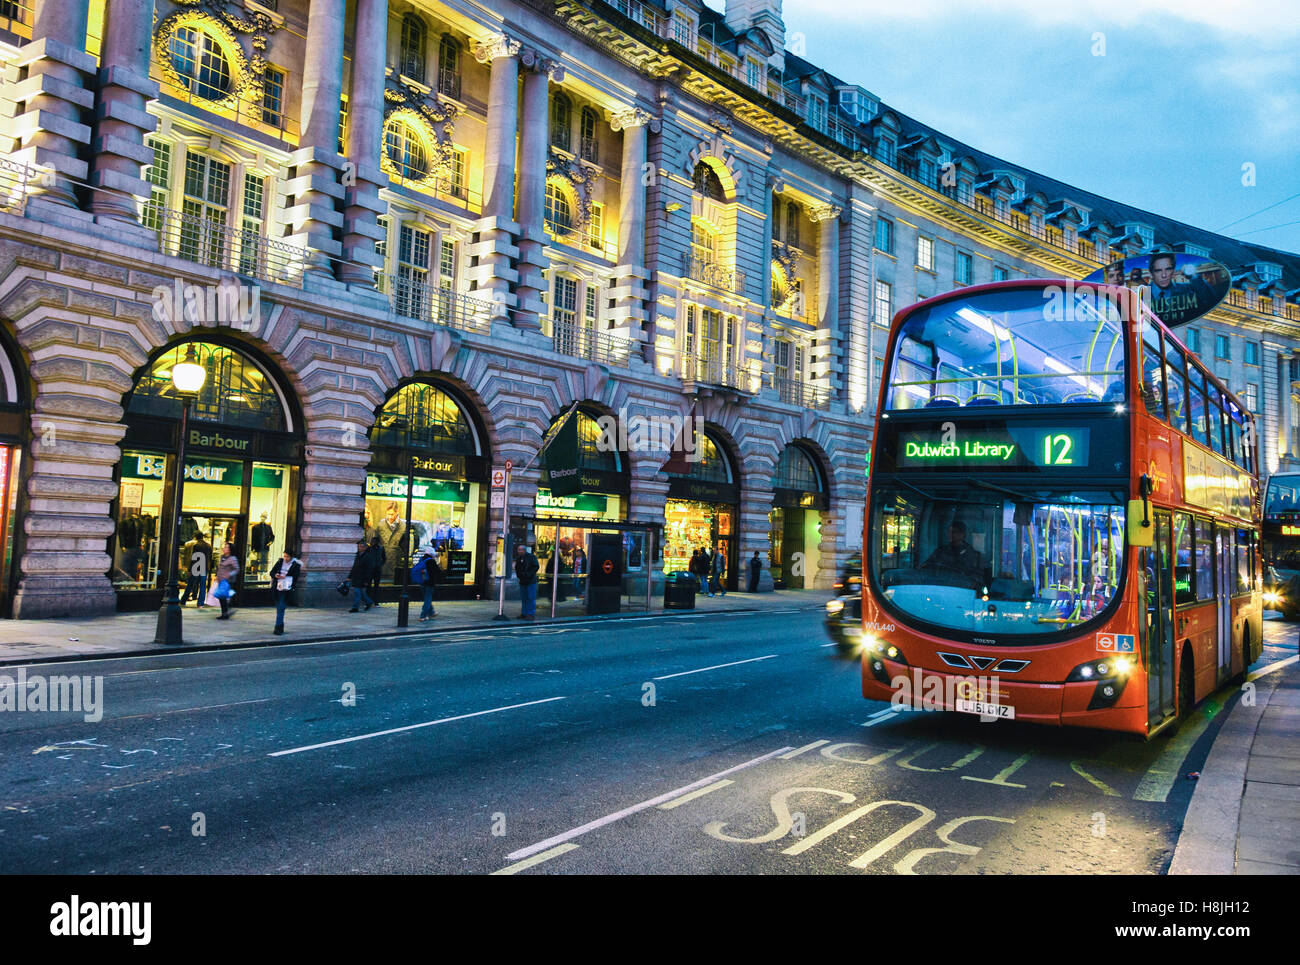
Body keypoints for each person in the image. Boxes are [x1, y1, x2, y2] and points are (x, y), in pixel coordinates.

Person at [269, 549, 301, 635]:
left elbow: (296, 577)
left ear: (291, 557)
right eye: (284, 556)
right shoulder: (280, 562)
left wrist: (286, 577)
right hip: (277, 587)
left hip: (286, 588)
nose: (285, 558)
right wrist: (276, 575)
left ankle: (278, 628)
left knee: (281, 607)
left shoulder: (295, 565)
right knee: (279, 607)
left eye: (287, 557)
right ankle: (280, 626)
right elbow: (271, 572)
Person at [374, 503, 406, 582]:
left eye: (392, 514)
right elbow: (375, 542)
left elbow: (406, 545)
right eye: (388, 514)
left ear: (397, 512)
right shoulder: (381, 525)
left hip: (396, 564)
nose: (390, 517)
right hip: (382, 563)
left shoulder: (403, 526)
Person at [180, 531, 213, 606]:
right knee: (203, 585)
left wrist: (190, 569)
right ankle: (200, 602)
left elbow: (194, 558)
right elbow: (210, 558)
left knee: (190, 584)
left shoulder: (196, 545)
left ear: (195, 537)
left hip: (196, 567)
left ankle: (183, 600)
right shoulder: (208, 546)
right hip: (204, 567)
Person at [411, 544, 442, 622]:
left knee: (427, 598)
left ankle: (431, 612)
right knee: (427, 599)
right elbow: (438, 571)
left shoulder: (422, 559)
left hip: (422, 582)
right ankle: (423, 616)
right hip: (429, 582)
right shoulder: (431, 561)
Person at [213, 542, 240, 620]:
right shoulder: (222, 557)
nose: (224, 548)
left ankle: (225, 613)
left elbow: (237, 569)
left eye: (226, 547)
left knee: (223, 597)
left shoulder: (232, 558)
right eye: (224, 547)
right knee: (222, 597)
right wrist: (217, 576)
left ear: (230, 550)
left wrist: (229, 574)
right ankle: (225, 612)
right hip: (221, 580)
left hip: (227, 581)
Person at [348, 539, 376, 612]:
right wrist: (349, 577)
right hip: (356, 577)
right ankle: (369, 602)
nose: (359, 548)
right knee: (362, 593)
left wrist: (367, 580)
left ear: (365, 548)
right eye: (358, 546)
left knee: (357, 592)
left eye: (361, 547)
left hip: (362, 578)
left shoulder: (368, 556)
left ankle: (355, 607)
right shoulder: (358, 555)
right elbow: (354, 567)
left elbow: (369, 570)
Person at [516, 544, 540, 619]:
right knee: (524, 598)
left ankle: (530, 613)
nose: (519, 551)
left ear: (524, 550)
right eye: (518, 550)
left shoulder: (531, 557)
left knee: (531, 598)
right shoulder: (519, 558)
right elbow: (517, 568)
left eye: (520, 550)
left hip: (530, 581)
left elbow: (536, 566)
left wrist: (529, 574)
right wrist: (519, 575)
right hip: (523, 580)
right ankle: (524, 613)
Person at [367, 534, 385, 605]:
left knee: (376, 586)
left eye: (374, 541)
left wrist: (380, 564)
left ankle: (376, 601)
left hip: (377, 569)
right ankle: (368, 600)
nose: (373, 542)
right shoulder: (369, 549)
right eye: (373, 541)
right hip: (370, 569)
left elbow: (384, 558)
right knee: (369, 586)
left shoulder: (381, 548)